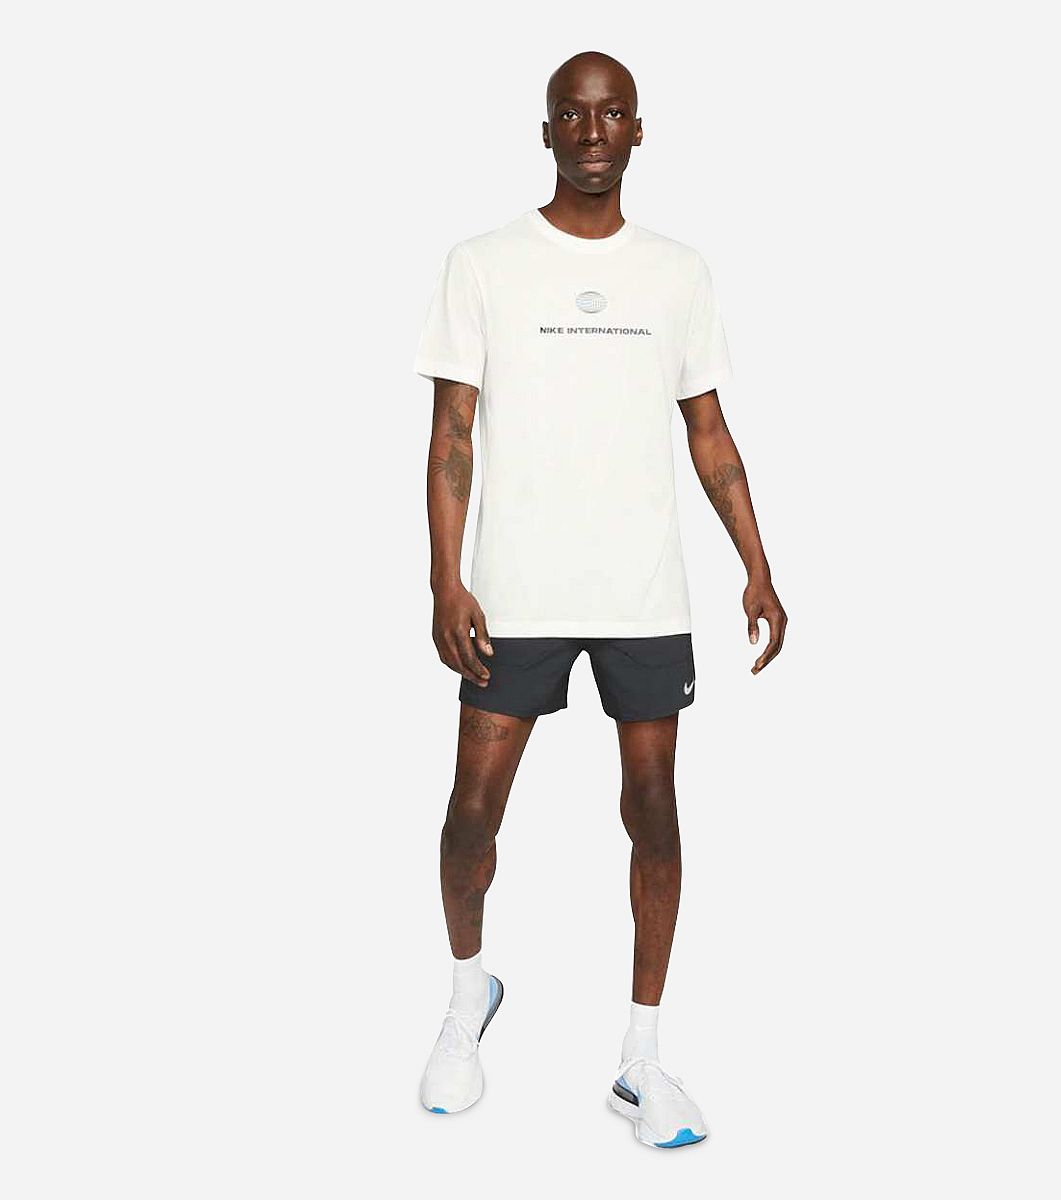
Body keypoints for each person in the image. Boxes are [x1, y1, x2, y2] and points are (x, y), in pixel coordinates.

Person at [411, 49, 786, 1148]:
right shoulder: (483, 264)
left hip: (642, 593)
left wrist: (758, 562)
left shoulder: (678, 272)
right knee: (472, 813)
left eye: (611, 113)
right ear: (547, 132)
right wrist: (445, 574)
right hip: (515, 591)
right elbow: (451, 434)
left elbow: (709, 432)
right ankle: (467, 994)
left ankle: (641, 1055)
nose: (591, 133)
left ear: (636, 130)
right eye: (572, 116)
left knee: (654, 812)